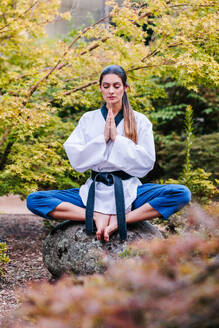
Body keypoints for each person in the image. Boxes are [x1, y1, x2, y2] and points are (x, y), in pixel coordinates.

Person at [26, 65, 191, 242]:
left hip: (129, 190)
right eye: (106, 86)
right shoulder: (88, 119)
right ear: (100, 88)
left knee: (181, 193)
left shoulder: (140, 120)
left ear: (125, 88)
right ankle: (94, 215)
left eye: (116, 86)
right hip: (94, 191)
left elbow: (146, 164)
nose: (111, 91)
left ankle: (122, 220)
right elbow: (77, 160)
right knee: (35, 200)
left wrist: (117, 140)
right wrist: (102, 139)